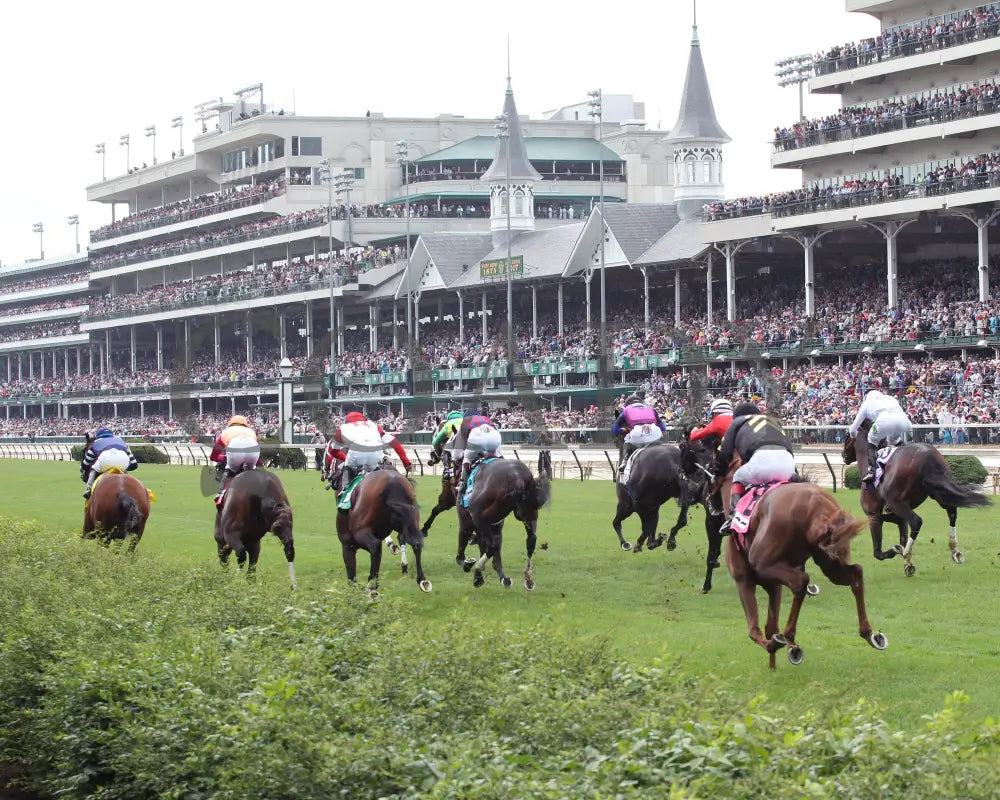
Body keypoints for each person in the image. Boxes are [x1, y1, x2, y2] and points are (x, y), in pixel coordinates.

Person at [714, 402, 796, 534]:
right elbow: (790, 451)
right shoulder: (773, 422)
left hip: (761, 463)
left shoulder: (737, 423)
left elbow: (724, 454)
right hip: (788, 464)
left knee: (738, 476)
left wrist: (718, 475)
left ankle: (733, 518)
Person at [326, 411, 411, 494]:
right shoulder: (373, 425)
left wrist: (345, 458)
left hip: (356, 455)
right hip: (375, 455)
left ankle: (345, 491)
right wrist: (406, 462)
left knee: (347, 466)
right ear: (364, 420)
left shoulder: (343, 428)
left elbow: (332, 451)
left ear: (346, 421)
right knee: (375, 467)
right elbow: (395, 443)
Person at [848, 388, 913, 484]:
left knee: (871, 439)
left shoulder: (867, 403)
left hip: (884, 420)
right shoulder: (890, 398)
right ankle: (910, 456)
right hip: (904, 421)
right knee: (894, 441)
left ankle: (871, 470)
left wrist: (853, 435)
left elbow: (853, 429)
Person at [454, 407, 502, 502]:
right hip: (495, 436)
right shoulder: (486, 419)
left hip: (476, 437)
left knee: (466, 459)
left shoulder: (465, 421)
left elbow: (459, 449)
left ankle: (463, 485)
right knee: (499, 456)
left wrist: (457, 457)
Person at [210, 415, 261, 502]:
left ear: (231, 424)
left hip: (235, 448)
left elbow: (213, 456)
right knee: (251, 471)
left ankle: (220, 494)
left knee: (229, 470)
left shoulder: (226, 431)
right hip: (253, 448)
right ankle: (259, 494)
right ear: (245, 424)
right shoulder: (251, 432)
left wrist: (224, 459)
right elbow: (258, 460)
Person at [81, 426, 138, 499]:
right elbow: (134, 464)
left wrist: (83, 468)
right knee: (125, 472)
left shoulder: (96, 442)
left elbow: (86, 463)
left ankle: (88, 489)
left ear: (98, 436)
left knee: (93, 469)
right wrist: (124, 468)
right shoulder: (121, 441)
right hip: (123, 461)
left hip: (105, 461)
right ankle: (133, 489)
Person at [611, 393, 667, 468]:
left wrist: (625, 429)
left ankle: (625, 460)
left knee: (627, 439)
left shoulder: (626, 410)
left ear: (627, 404)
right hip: (654, 432)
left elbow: (614, 429)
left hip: (637, 433)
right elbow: (663, 427)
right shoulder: (650, 408)